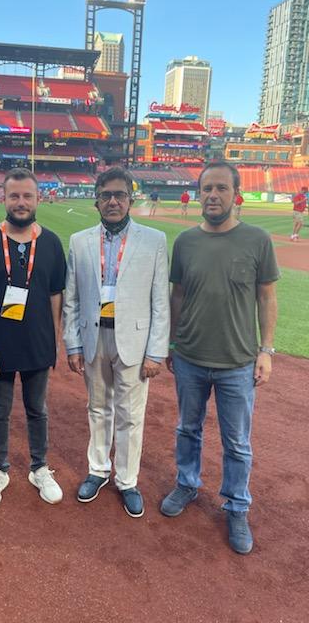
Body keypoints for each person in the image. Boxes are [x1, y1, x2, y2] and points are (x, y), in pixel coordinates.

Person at [160, 161, 279, 555]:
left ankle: (236, 505)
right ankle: (187, 484)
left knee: (237, 443)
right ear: (199, 193)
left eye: (221, 189)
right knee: (187, 429)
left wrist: (267, 350)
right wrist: (174, 344)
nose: (212, 195)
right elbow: (177, 296)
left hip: (238, 360)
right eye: (206, 188)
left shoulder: (257, 240)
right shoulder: (186, 242)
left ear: (235, 193)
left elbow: (267, 296)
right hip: (191, 356)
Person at [0, 167, 66, 510]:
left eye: (27, 196)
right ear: (3, 199)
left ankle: (38, 468)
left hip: (37, 344)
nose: (20, 202)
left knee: (38, 410)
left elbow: (55, 295)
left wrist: (54, 339)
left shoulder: (50, 243)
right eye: (14, 196)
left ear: (38, 199)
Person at [63, 166, 170, 518]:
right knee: (97, 408)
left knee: (130, 414)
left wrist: (156, 351)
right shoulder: (79, 241)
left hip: (134, 342)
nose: (113, 201)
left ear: (130, 199)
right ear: (96, 200)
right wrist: (73, 344)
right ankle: (98, 469)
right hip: (95, 338)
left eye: (120, 195)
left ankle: (127, 479)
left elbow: (160, 301)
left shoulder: (154, 240)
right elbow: (72, 299)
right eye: (106, 194)